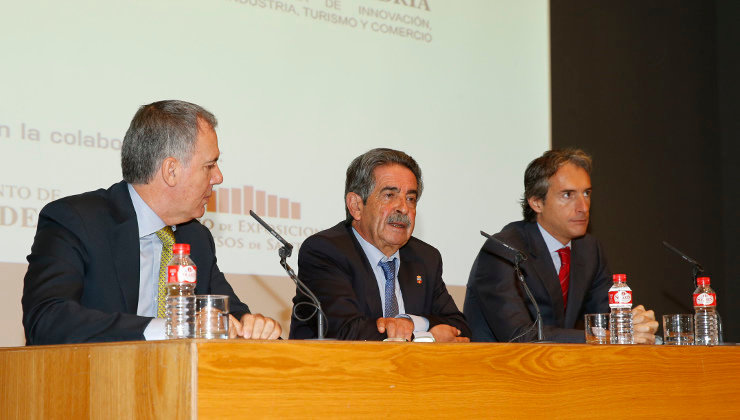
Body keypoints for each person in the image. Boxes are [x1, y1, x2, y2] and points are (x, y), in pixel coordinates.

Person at [22, 100, 282, 345]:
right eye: (210, 165)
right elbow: (47, 319)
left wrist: (251, 326)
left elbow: (228, 315)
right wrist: (169, 328)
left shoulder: (196, 238)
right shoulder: (76, 221)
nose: (219, 177)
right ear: (171, 171)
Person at [464, 149, 658, 343]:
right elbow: (520, 335)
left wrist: (630, 325)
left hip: (560, 365)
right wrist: (608, 336)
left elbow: (606, 321)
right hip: (499, 367)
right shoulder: (504, 250)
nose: (583, 206)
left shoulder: (588, 249)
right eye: (567, 195)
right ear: (537, 203)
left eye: (587, 193)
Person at [289, 148, 470, 342]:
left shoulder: (425, 258)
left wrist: (410, 323)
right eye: (389, 195)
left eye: (411, 198)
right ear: (356, 206)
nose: (403, 208)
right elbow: (346, 332)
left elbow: (460, 328)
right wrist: (427, 337)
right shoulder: (325, 251)